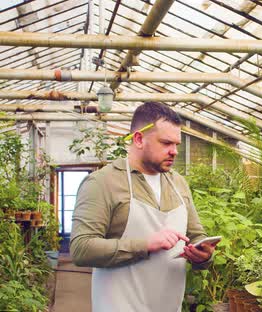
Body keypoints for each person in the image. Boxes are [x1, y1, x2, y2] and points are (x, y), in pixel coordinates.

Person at [70, 102, 217, 312]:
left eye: (177, 144)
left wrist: (203, 255)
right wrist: (146, 244)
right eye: (166, 143)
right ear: (139, 139)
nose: (174, 151)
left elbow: (196, 235)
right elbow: (81, 249)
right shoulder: (103, 182)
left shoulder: (178, 184)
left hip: (168, 305)